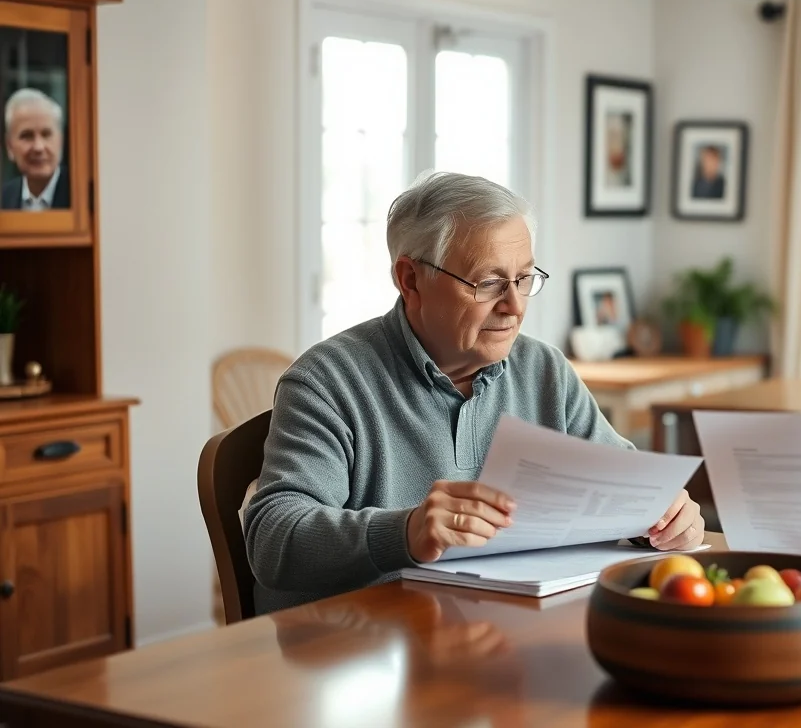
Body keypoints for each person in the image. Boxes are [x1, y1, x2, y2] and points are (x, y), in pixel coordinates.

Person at [244, 172, 705, 614]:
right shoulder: (328, 382)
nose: (515, 306)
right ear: (410, 280)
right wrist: (403, 532)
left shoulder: (544, 370)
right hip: (354, 658)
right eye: (488, 283)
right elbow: (273, 536)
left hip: (500, 638)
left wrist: (663, 519)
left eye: (524, 279)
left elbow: (628, 489)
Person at [2, 88, 69, 210]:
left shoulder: (79, 195)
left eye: (46, 134)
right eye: (27, 136)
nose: (38, 147)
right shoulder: (4, 199)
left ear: (60, 141)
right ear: (9, 146)